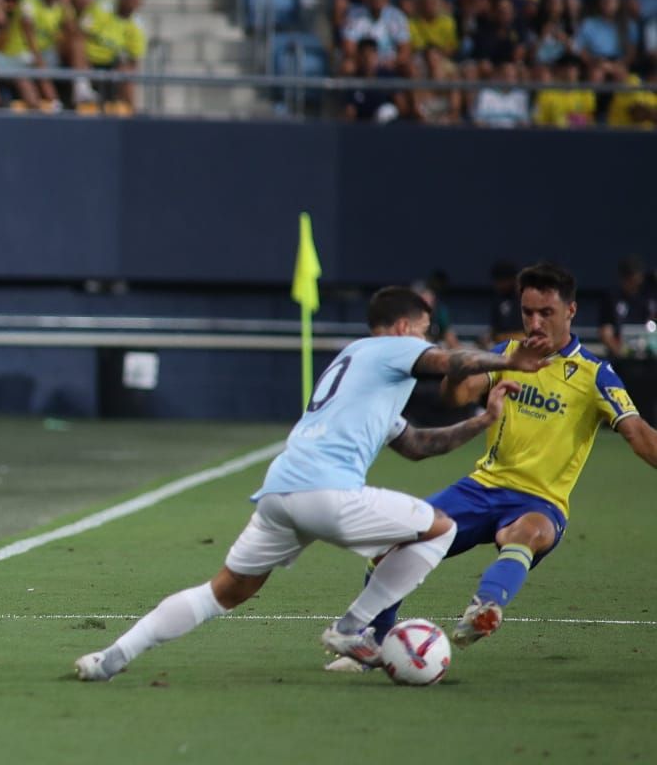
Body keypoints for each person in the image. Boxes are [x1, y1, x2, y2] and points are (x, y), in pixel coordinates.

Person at [74, 286, 549, 681]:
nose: (428, 342)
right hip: (326, 492)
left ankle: (112, 657)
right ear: (405, 327)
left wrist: (482, 420)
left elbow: (418, 444)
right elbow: (452, 363)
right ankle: (352, 627)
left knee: (224, 591)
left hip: (281, 492)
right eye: (425, 332)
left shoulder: (361, 372)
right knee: (442, 528)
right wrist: (510, 362)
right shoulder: (393, 347)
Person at [338, 264, 657, 663]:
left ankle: (484, 608)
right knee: (394, 543)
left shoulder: (595, 375)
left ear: (571, 311)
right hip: (481, 487)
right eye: (528, 313)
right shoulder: (507, 355)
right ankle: (374, 643)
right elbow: (456, 396)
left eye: (546, 313)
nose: (535, 322)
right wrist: (458, 368)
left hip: (540, 501)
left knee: (523, 533)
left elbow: (639, 434)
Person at [599, 255, 657, 359]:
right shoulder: (612, 297)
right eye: (630, 280)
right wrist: (620, 352)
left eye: (637, 279)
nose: (634, 284)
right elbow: (605, 331)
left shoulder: (649, 294)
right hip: (622, 357)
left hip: (650, 355)